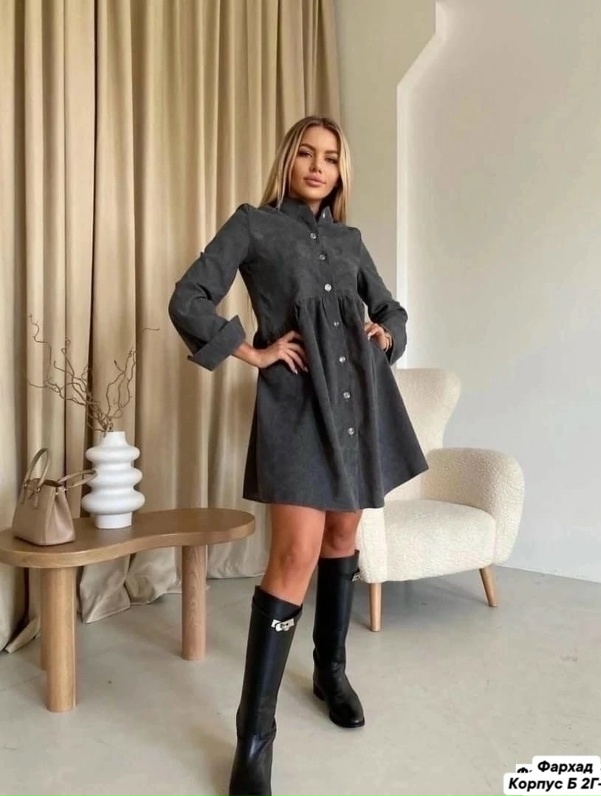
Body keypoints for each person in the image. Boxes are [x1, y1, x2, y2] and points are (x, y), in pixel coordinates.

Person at [168, 115, 428, 796]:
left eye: (331, 157)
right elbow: (188, 297)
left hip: (359, 406)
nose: (318, 166)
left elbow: (392, 310)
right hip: (296, 408)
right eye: (307, 154)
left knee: (343, 537)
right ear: (288, 159)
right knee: (294, 556)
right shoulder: (253, 226)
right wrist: (252, 352)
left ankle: (331, 672)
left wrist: (386, 336)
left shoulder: (349, 240)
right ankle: (254, 737)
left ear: (341, 171)